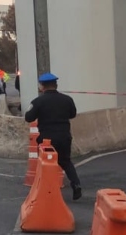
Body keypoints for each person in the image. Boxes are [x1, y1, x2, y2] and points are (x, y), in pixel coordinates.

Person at [24, 72, 82, 201]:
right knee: (66, 161)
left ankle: (47, 190)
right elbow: (72, 114)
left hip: (47, 139)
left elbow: (29, 117)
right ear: (56, 85)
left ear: (42, 86)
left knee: (45, 163)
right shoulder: (67, 99)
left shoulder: (38, 101)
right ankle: (76, 184)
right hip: (64, 136)